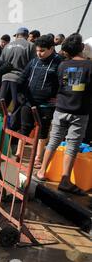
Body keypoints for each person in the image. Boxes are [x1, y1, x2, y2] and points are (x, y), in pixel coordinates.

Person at [36, 34, 92, 196]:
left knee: (53, 140)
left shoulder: (62, 65)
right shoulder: (89, 65)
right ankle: (65, 179)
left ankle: (41, 171)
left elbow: (65, 85)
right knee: (72, 145)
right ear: (82, 48)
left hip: (60, 109)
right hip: (79, 112)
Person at [16, 35, 62, 168]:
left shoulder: (59, 62)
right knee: (24, 128)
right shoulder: (34, 61)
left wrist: (58, 96)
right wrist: (20, 95)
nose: (39, 53)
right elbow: (22, 77)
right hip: (28, 102)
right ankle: (19, 153)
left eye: (42, 50)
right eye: (37, 50)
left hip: (46, 104)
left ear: (51, 48)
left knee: (43, 130)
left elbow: (62, 83)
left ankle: (38, 157)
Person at [0, 27, 36, 131]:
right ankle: (12, 135)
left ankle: (0, 130)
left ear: (17, 35)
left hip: (5, 78)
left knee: (3, 106)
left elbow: (1, 62)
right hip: (19, 79)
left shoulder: (7, 46)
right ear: (27, 35)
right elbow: (32, 64)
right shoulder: (30, 45)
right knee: (16, 107)